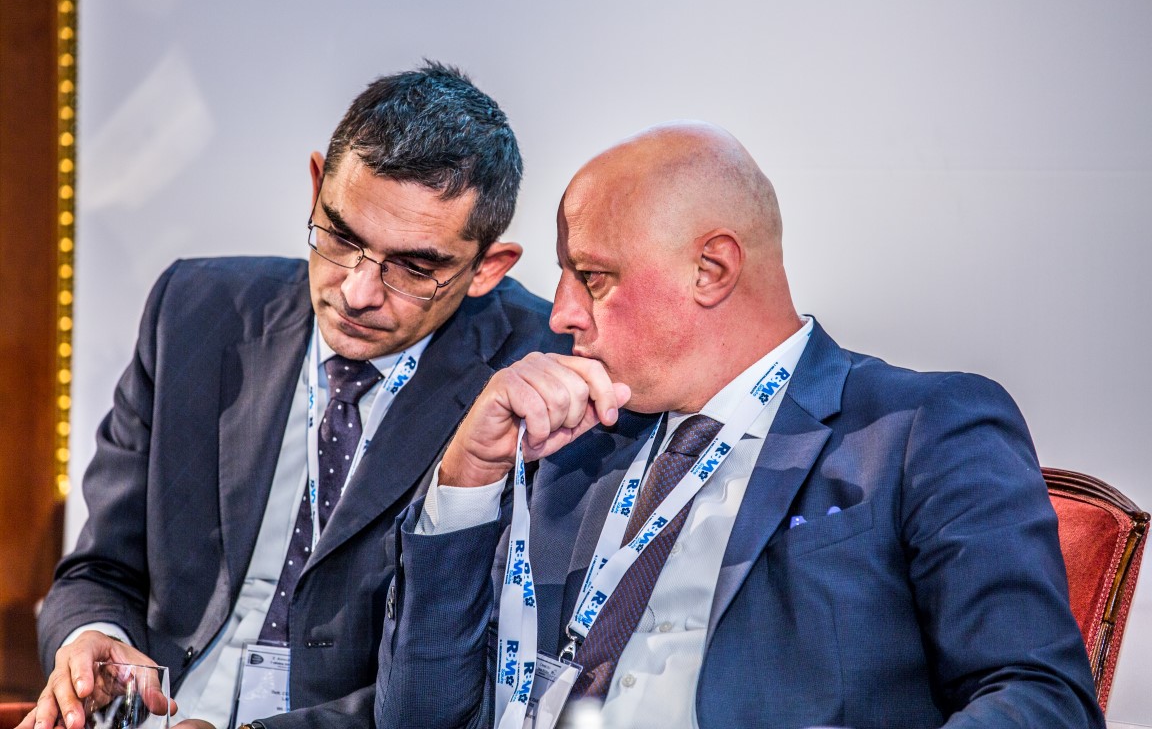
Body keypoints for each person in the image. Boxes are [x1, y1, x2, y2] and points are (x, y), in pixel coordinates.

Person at [374, 121, 1104, 728]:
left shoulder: (916, 428)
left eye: (592, 277)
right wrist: (469, 477)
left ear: (712, 269)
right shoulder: (569, 445)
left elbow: (1041, 699)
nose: (562, 314)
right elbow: (418, 717)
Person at [26, 62, 570, 729]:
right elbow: (100, 571)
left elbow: (477, 674)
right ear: (316, 188)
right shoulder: (193, 312)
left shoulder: (534, 371)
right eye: (341, 238)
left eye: (413, 267)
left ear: (487, 268)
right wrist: (92, 640)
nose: (358, 294)